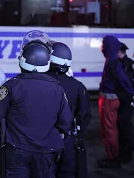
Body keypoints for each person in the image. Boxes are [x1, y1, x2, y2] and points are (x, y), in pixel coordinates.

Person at [0, 40, 73, 178]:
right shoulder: (57, 88)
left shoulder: (11, 86)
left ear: (23, 61)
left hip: (16, 150)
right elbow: (65, 122)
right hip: (47, 152)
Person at [46, 42, 92, 178]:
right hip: (67, 140)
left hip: (42, 141)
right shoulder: (79, 87)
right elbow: (84, 116)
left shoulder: (39, 82)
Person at [98, 35, 134, 168]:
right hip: (112, 98)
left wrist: (131, 93)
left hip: (110, 99)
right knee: (112, 128)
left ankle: (114, 158)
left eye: (103, 44)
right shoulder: (112, 60)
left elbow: (124, 79)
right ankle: (115, 156)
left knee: (112, 129)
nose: (101, 47)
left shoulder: (113, 61)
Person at [117, 42, 134, 163]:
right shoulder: (115, 64)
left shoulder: (131, 64)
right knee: (119, 127)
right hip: (118, 100)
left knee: (126, 126)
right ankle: (122, 151)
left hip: (127, 100)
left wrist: (130, 85)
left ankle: (128, 153)